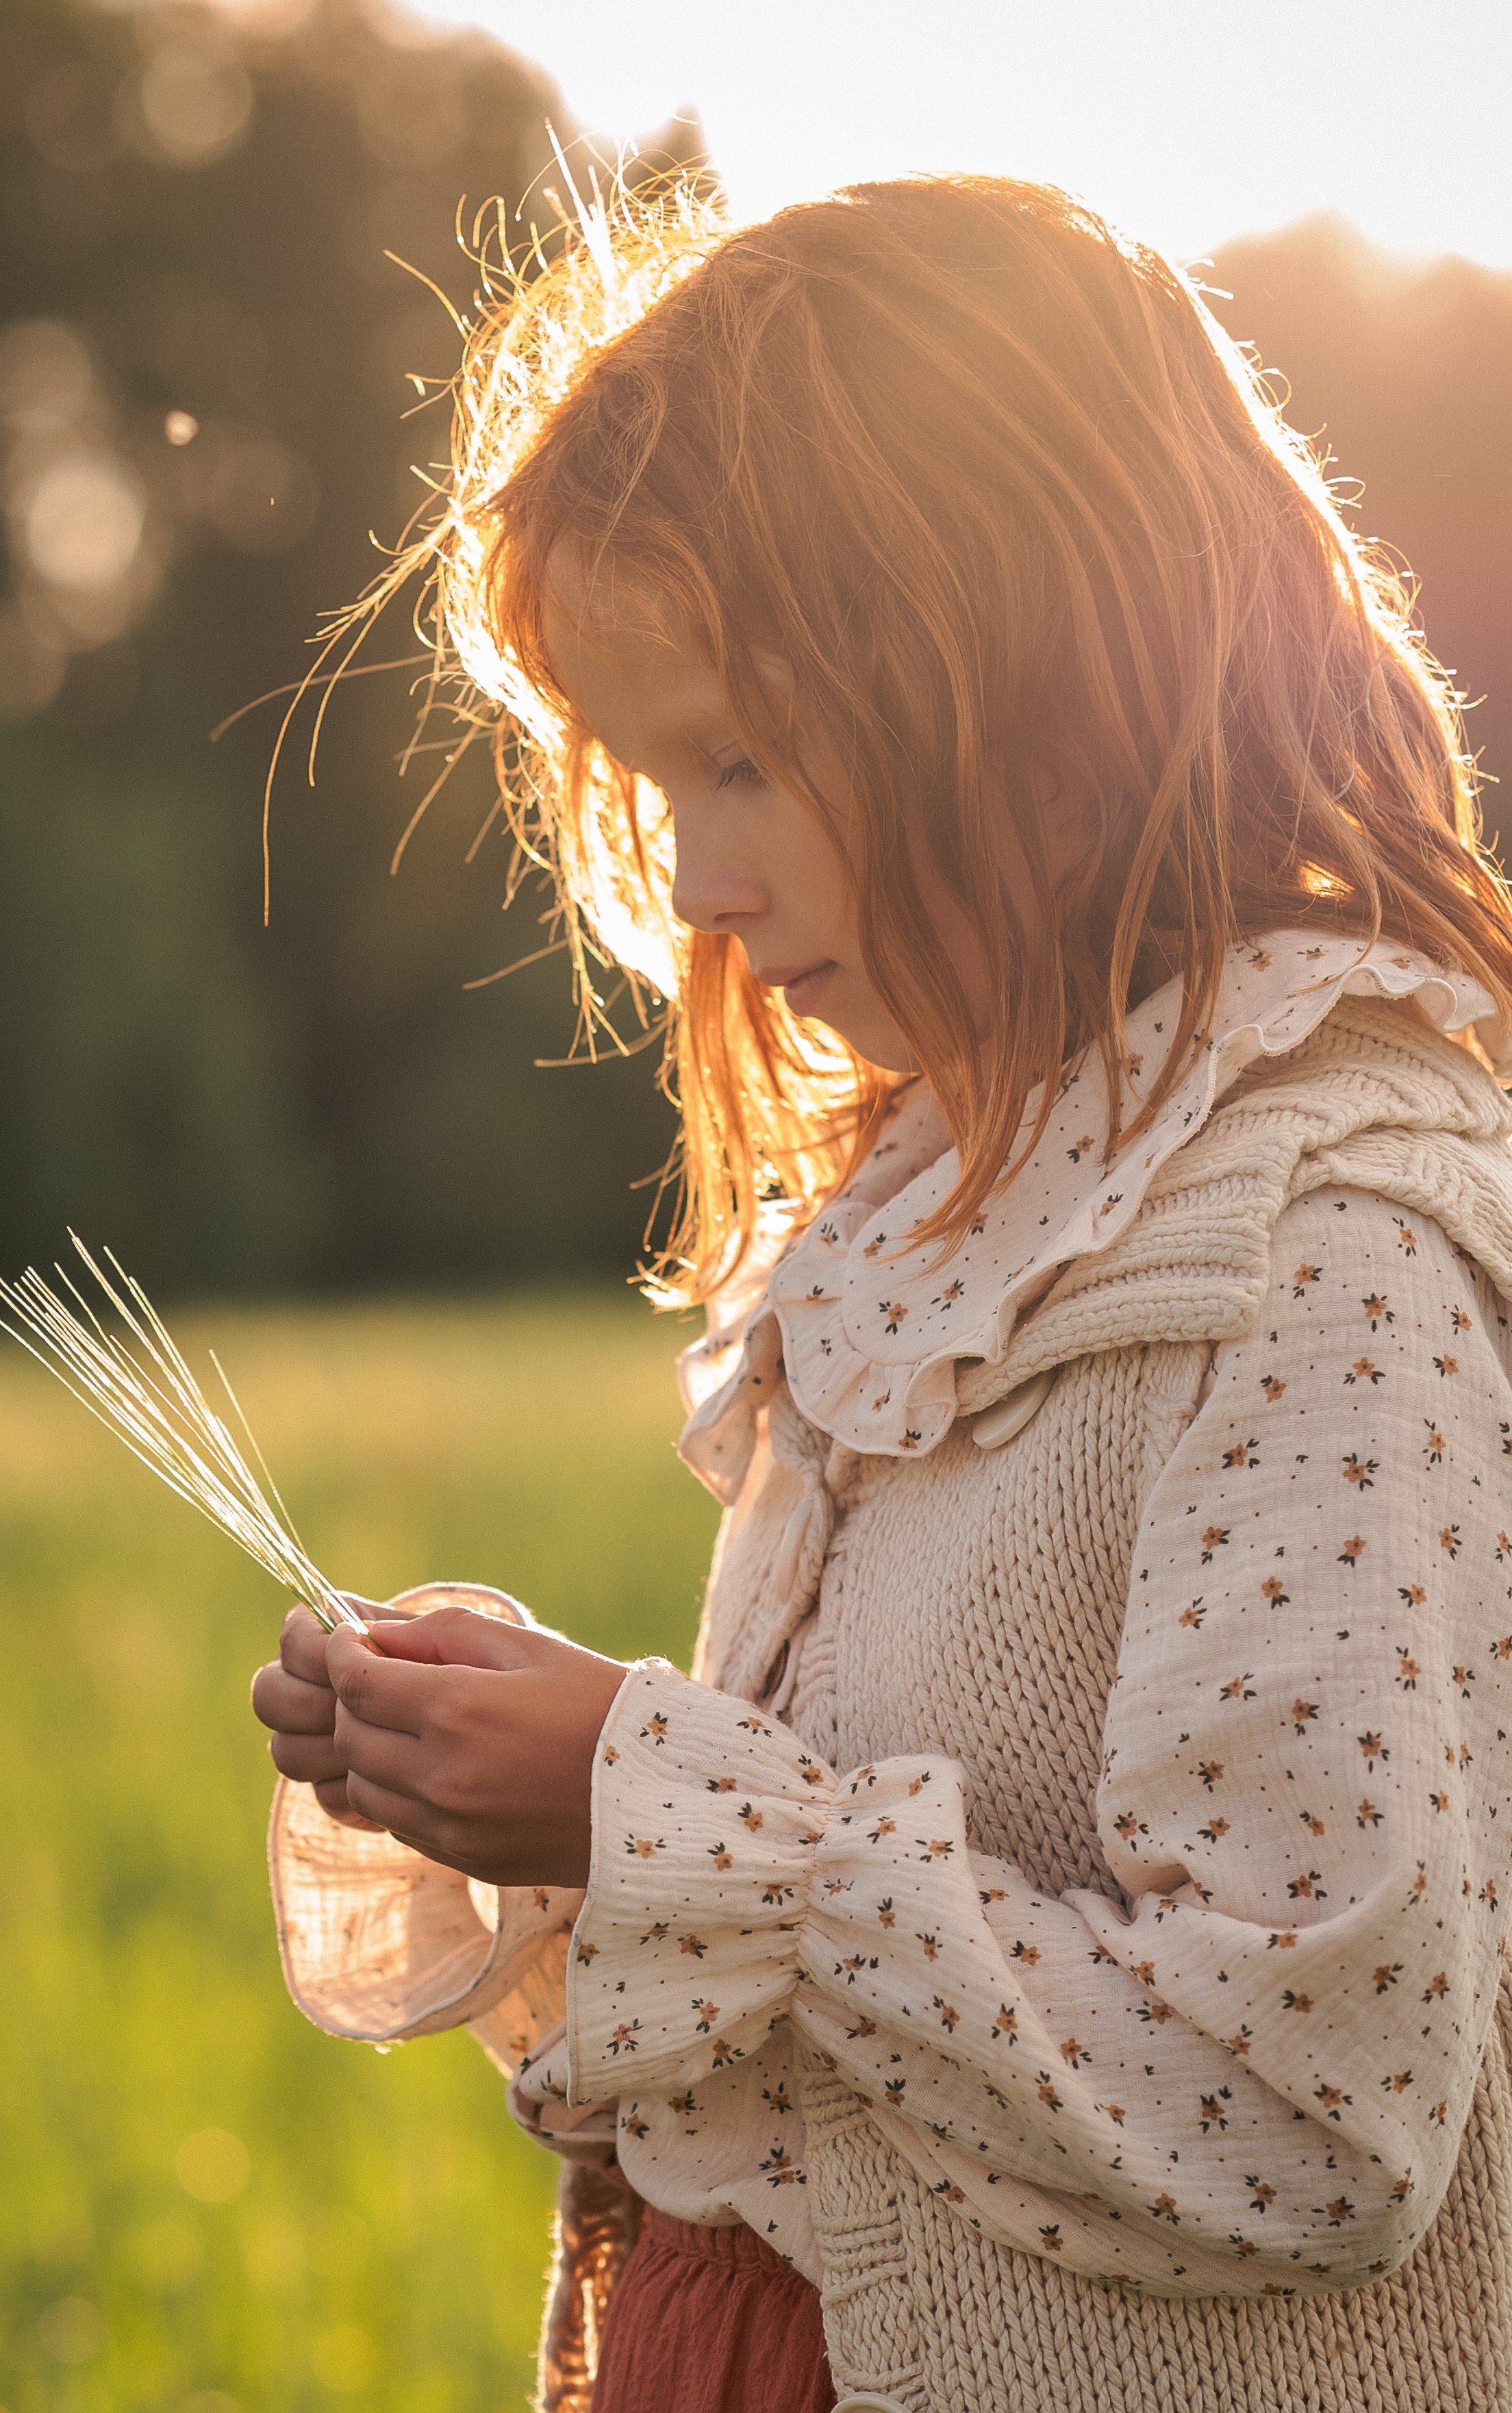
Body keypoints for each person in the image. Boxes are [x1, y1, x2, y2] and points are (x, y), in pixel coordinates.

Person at [249, 175, 1512, 2413]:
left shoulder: (1324, 1247)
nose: (705, 887)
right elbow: (866, 1996)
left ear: (1041, 688)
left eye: (743, 756)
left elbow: (1311, 2103)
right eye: (658, 783)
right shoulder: (937, 1200)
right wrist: (538, 1800)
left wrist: (654, 1809)